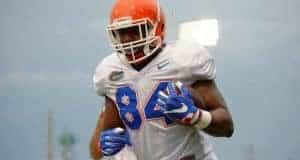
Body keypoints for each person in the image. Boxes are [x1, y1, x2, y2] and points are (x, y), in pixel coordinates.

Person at [90, 0, 234, 159]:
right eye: (121, 32)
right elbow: (110, 134)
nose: (127, 39)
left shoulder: (184, 60)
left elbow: (226, 126)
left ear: (156, 27)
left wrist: (196, 116)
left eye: (135, 30)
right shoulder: (110, 72)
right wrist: (112, 145)